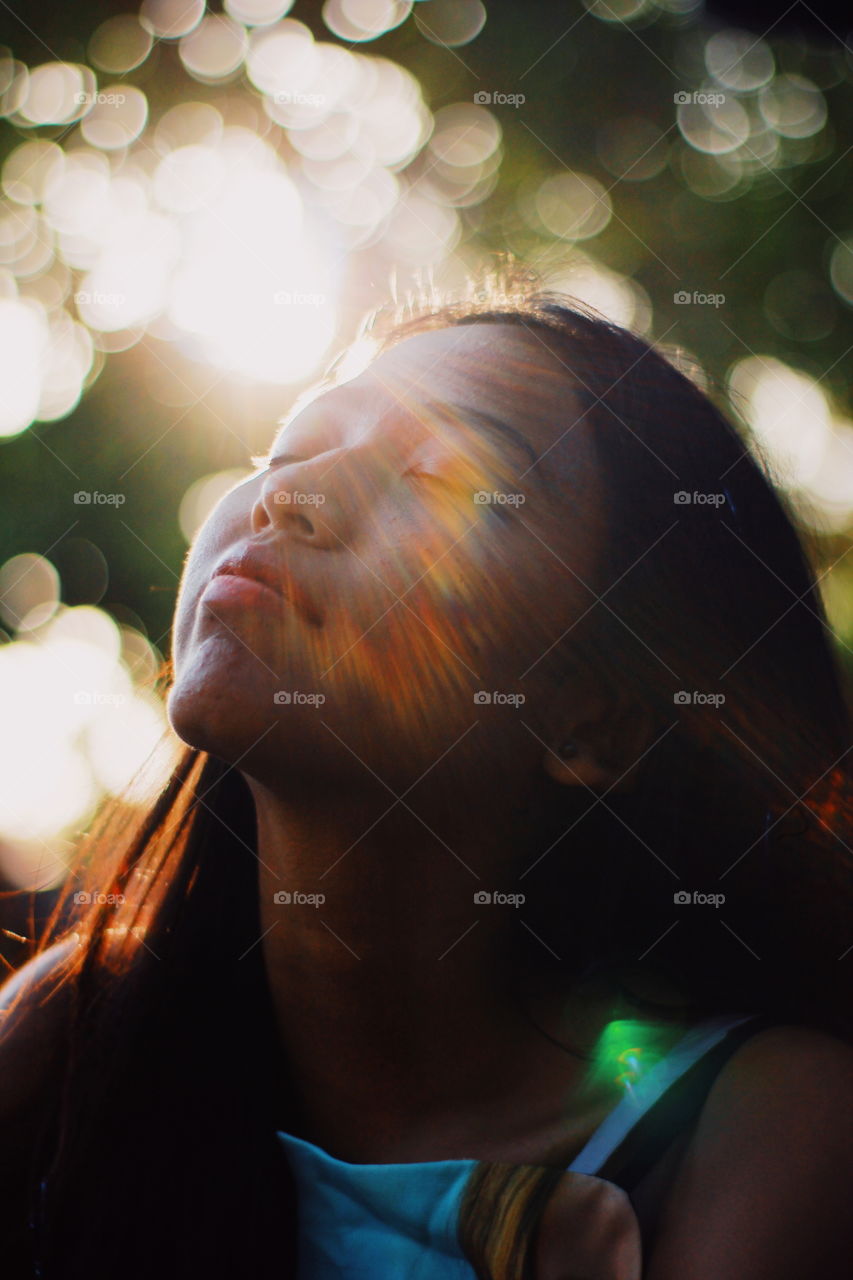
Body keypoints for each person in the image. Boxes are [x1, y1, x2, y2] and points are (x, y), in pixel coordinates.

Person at [2, 269, 852, 1279]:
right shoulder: (81, 1031)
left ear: (593, 723)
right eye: (291, 445)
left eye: (442, 479)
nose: (290, 494)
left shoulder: (758, 1127)